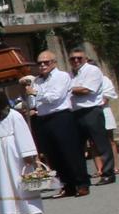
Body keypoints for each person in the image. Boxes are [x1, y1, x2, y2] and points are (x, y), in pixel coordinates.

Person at [28, 50, 91, 198]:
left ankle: (81, 183)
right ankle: (67, 185)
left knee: (70, 152)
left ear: (53, 63)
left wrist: (37, 94)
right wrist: (31, 95)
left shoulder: (62, 76)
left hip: (61, 117)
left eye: (46, 62)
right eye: (39, 63)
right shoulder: (36, 81)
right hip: (44, 118)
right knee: (53, 154)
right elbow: (33, 103)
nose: (42, 65)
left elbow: (56, 97)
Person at [68, 48, 118, 185]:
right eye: (72, 58)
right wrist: (73, 89)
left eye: (79, 58)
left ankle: (108, 173)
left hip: (91, 111)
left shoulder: (92, 70)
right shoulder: (70, 74)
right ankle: (82, 177)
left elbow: (86, 90)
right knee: (78, 147)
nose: (76, 60)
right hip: (76, 113)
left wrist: (68, 89)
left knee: (101, 143)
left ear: (85, 58)